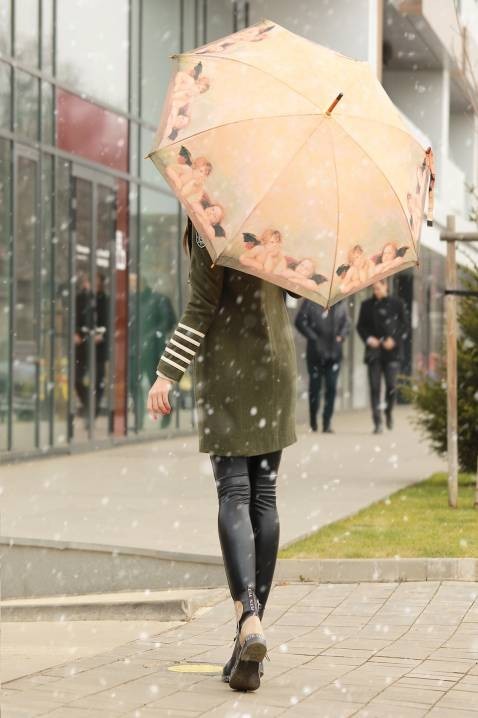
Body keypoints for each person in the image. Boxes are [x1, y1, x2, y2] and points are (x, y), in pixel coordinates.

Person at [147, 218, 297, 692]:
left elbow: (201, 307)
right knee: (265, 499)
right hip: (276, 369)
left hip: (232, 374)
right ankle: (246, 645)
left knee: (234, 493)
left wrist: (167, 373)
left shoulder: (209, 221)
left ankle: (248, 617)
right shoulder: (276, 212)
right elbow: (288, 290)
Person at [356, 279, 407, 433]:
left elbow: (404, 325)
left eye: (378, 288)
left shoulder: (397, 304)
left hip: (392, 352)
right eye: (373, 288)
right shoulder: (366, 305)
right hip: (374, 352)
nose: (375, 291)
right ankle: (377, 422)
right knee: (374, 387)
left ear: (385, 286)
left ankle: (388, 411)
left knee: (391, 386)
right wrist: (369, 339)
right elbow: (361, 326)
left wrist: (394, 340)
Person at [295, 299, 350, 433]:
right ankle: (313, 419)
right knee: (315, 388)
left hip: (334, 353)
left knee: (331, 388)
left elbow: (346, 324)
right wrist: (313, 337)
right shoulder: (311, 302)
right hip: (316, 353)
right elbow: (299, 321)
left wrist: (341, 336)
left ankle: (327, 422)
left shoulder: (340, 303)